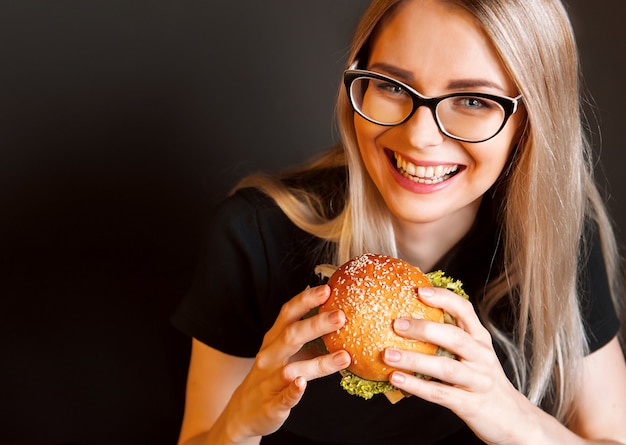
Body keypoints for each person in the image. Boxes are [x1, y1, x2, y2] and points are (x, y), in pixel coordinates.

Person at [172, 0, 626, 443]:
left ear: (531, 119)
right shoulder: (253, 236)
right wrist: (237, 427)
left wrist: (510, 416)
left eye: (472, 100)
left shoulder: (554, 240)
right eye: (391, 86)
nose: (420, 137)